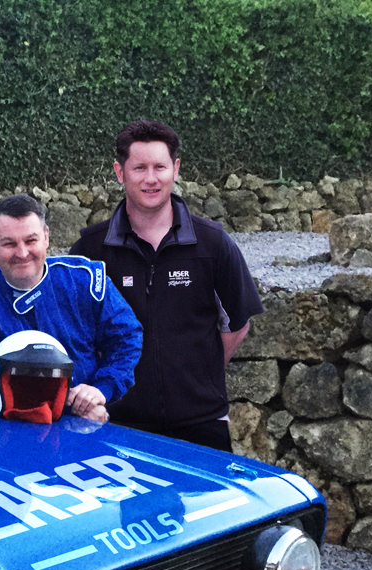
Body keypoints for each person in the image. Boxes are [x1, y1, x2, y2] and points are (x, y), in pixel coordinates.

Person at [70, 120, 263, 451]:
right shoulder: (90, 251)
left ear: (175, 169)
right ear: (120, 172)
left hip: (201, 423)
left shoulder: (213, 244)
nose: (150, 178)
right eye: (139, 167)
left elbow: (237, 325)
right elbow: (75, 335)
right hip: (118, 425)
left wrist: (195, 375)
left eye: (159, 167)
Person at [0, 193, 142, 423]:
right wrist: (76, 410)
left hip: (95, 422)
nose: (22, 253)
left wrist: (100, 391)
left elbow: (126, 338)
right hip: (16, 429)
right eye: (9, 243)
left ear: (46, 237)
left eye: (31, 241)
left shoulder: (86, 279)